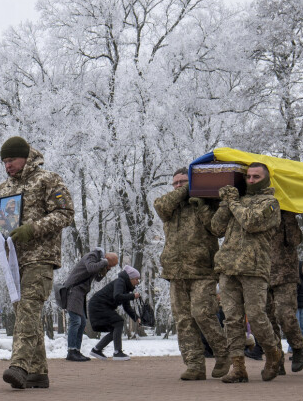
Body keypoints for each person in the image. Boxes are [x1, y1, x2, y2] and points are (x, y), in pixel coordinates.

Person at [0, 136, 74, 390]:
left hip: (40, 256)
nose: (7, 165)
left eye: (11, 159)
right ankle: (38, 372)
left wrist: (32, 229)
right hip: (13, 260)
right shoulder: (4, 188)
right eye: (4, 161)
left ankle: (19, 365)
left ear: (26, 157)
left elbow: (65, 212)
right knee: (25, 312)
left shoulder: (47, 179)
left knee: (27, 308)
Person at [153, 167, 230, 380]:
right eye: (175, 183)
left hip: (202, 268)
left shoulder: (205, 201)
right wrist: (185, 190)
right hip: (175, 270)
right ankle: (194, 364)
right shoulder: (170, 205)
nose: (178, 186)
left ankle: (223, 353)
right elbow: (161, 207)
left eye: (183, 182)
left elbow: (217, 229)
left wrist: (200, 202)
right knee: (183, 319)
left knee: (202, 312)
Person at [211, 162, 282, 383]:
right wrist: (225, 202)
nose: (251, 181)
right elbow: (216, 228)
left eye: (256, 177)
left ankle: (273, 354)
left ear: (266, 179)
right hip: (228, 267)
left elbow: (251, 222)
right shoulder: (235, 202)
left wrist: (232, 201)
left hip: (253, 268)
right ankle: (238, 367)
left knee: (258, 316)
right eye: (248, 177)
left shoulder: (271, 203)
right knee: (231, 320)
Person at [264, 211, 303, 374]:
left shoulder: (285, 215)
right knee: (268, 322)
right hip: (262, 274)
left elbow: (295, 240)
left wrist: (288, 217)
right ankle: (277, 359)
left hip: (285, 274)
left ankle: (298, 347)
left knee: (285, 315)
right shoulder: (256, 212)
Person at [58, 248, 118, 361]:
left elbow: (98, 278)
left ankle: (76, 350)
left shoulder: (98, 261)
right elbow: (91, 268)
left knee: (82, 322)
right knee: (76, 321)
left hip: (80, 293)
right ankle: (71, 351)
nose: (109, 267)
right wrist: (105, 263)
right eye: (110, 265)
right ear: (106, 258)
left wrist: (106, 269)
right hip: (73, 291)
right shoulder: (92, 256)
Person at [88, 265, 141, 360]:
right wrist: (133, 296)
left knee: (115, 329)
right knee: (119, 322)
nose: (138, 282)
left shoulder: (125, 286)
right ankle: (117, 352)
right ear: (130, 278)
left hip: (100, 306)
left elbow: (126, 306)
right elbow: (117, 296)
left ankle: (97, 349)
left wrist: (136, 318)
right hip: (98, 305)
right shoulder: (120, 282)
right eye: (136, 279)